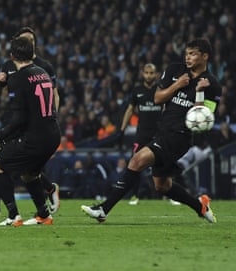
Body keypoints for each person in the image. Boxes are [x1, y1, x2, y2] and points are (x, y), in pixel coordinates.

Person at [81, 38, 221, 223]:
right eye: (187, 53)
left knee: (137, 160)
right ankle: (200, 206)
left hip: (180, 136)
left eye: (193, 54)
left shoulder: (212, 85)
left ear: (205, 56)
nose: (188, 58)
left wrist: (200, 92)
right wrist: (177, 85)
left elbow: (204, 119)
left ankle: (104, 209)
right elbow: (157, 98)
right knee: (162, 186)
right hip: (162, 130)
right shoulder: (174, 71)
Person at [0, 27, 60, 218]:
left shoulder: (22, 74)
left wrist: (2, 135)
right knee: (28, 172)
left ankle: (13, 215)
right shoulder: (41, 70)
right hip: (43, 128)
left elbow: (23, 115)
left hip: (29, 127)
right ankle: (43, 211)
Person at [119, 63, 176, 205]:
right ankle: (134, 195)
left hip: (159, 134)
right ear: (142, 73)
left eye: (152, 73)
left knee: (166, 164)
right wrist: (122, 129)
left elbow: (167, 110)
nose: (149, 75)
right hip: (142, 135)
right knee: (135, 163)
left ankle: (170, 196)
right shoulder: (137, 91)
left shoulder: (161, 90)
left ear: (156, 74)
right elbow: (130, 110)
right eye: (147, 72)